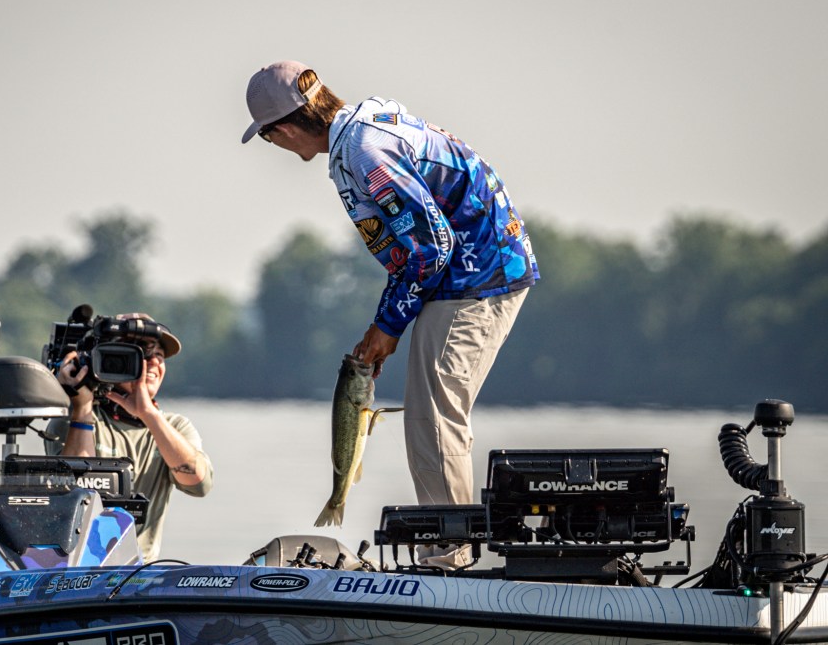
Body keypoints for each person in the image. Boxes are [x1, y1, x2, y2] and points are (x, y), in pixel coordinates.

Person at [242, 61, 538, 568]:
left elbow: (432, 247)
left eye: (268, 137)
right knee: (430, 413)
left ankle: (449, 559)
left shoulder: (365, 152)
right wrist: (384, 323)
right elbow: (414, 250)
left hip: (477, 275)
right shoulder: (359, 129)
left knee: (433, 416)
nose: (275, 145)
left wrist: (389, 325)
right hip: (465, 274)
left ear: (284, 129)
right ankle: (449, 551)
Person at [44, 312, 213, 563]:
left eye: (159, 355)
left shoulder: (175, 427)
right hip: (80, 565)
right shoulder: (74, 419)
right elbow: (76, 494)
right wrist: (82, 406)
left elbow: (199, 483)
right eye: (140, 354)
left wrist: (148, 414)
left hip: (141, 569)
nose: (152, 363)